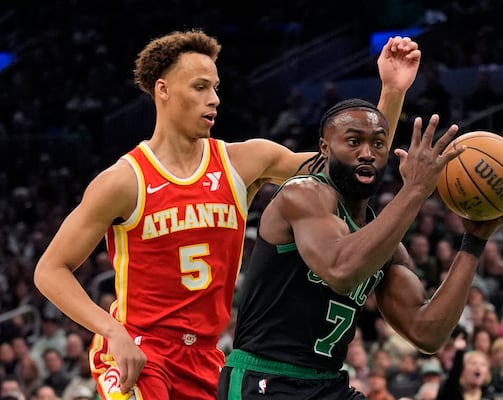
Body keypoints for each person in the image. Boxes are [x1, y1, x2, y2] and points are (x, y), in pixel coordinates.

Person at [33, 28, 422, 400]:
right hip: (139, 349)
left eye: (216, 87)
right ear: (163, 90)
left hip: (207, 355)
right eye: (200, 87)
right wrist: (112, 331)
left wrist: (391, 91)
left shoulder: (243, 161)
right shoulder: (124, 181)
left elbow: (348, 166)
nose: (215, 99)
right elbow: (50, 269)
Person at [217, 99, 503, 399]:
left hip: (328, 384)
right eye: (353, 141)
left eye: (378, 143)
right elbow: (341, 270)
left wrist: (474, 242)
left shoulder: (384, 243)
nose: (367, 153)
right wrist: (414, 189)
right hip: (266, 380)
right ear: (324, 148)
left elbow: (427, 333)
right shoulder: (303, 193)